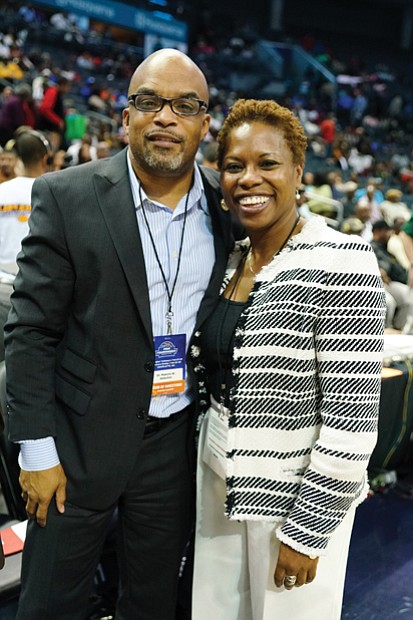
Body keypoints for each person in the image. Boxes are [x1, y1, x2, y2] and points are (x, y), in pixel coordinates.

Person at [4, 48, 238, 620]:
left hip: (175, 442)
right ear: (126, 116)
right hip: (76, 441)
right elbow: (30, 331)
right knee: (50, 603)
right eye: (150, 102)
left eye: (184, 106)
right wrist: (35, 451)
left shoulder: (226, 206)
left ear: (205, 124)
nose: (165, 117)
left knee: (153, 602)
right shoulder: (67, 195)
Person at [190, 99, 385, 620]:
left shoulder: (341, 260)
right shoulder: (232, 257)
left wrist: (310, 529)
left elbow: (354, 421)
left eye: (267, 163)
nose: (249, 178)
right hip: (216, 481)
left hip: (292, 497)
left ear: (298, 171)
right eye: (235, 166)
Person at [0, 130, 52, 265]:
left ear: (18, 159)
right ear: (45, 159)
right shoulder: (52, 194)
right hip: (35, 275)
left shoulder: (2, 190)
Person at [370, 219, 413, 333]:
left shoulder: (385, 248)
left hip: (389, 282)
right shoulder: (371, 246)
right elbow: (380, 266)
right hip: (376, 282)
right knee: (389, 302)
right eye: (387, 230)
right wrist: (381, 270)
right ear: (378, 232)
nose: (390, 234)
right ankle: (385, 331)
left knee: (407, 296)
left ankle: (399, 329)